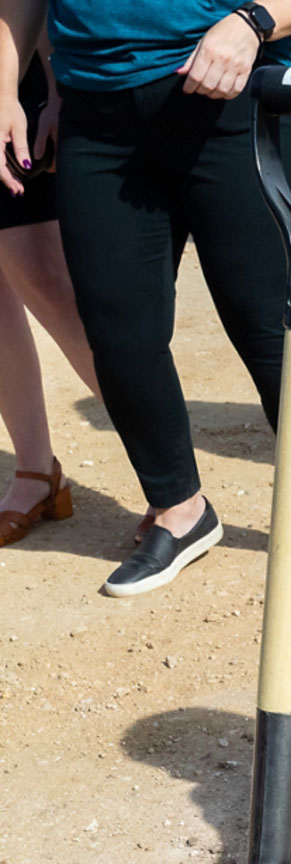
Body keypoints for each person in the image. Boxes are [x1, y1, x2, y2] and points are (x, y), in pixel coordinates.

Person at [0, 0, 291, 596]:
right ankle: (180, 510)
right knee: (119, 328)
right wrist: (6, 89)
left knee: (267, 320)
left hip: (236, 93)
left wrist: (255, 21)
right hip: (96, 111)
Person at [0, 46, 100, 548]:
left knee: (44, 277)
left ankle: (170, 485)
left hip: (15, 76)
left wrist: (58, 88)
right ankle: (36, 472)